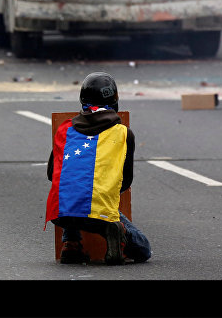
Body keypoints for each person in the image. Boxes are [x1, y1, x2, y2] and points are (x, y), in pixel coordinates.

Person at [45, 72, 152, 265]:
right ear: (114, 100)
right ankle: (117, 230)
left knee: (71, 192)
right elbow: (125, 182)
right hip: (98, 211)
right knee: (144, 248)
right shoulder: (123, 133)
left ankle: (71, 242)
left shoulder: (65, 129)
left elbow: (52, 174)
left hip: (60, 211)